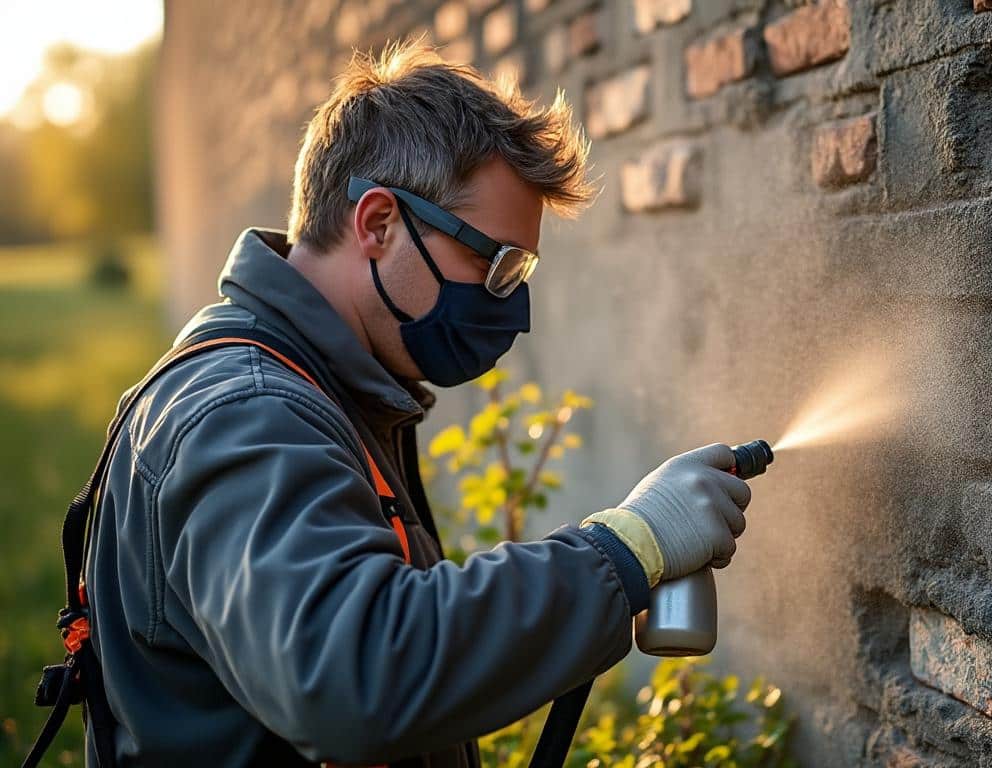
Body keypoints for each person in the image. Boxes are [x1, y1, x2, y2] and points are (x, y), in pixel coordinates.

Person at [85, 41, 750, 767]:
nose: (510, 305)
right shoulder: (246, 415)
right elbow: (354, 678)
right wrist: (627, 550)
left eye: (519, 271)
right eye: (494, 264)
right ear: (378, 224)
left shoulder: (319, 388)